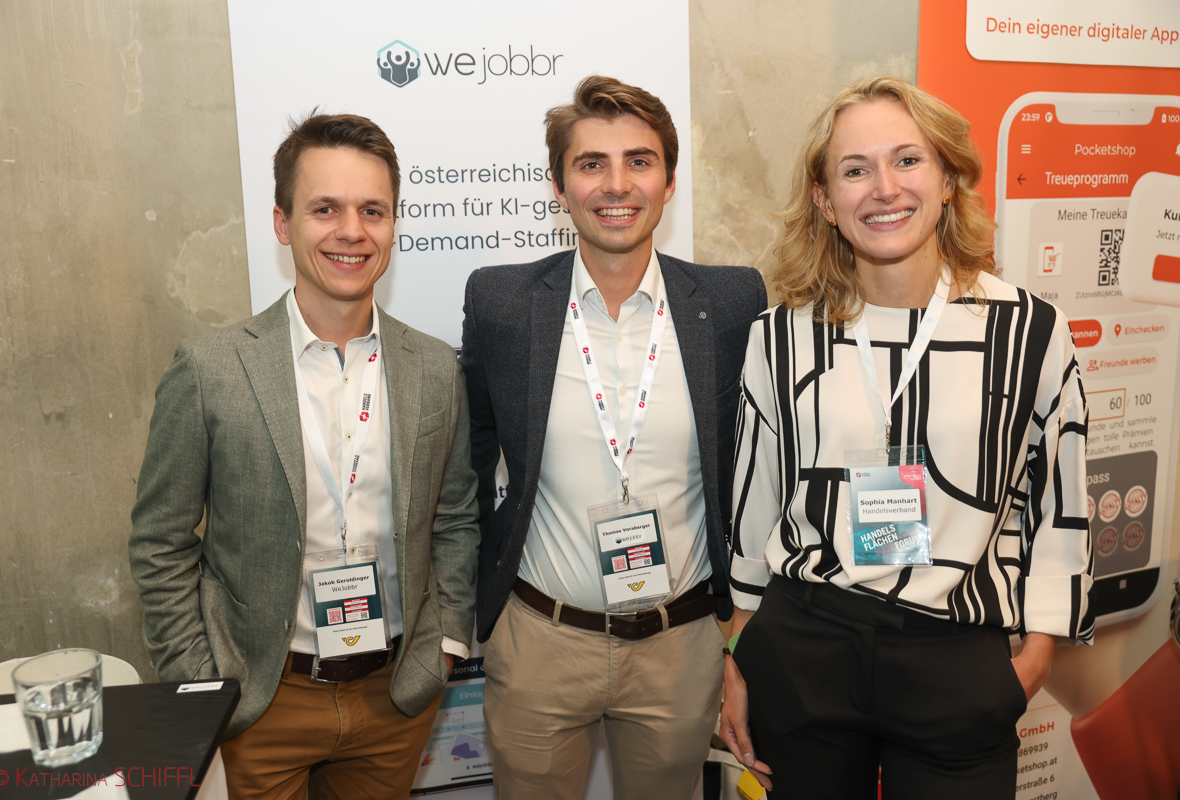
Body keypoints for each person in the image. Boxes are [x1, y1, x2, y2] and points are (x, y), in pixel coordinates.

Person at [720, 76, 1093, 799]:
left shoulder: (1028, 331)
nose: (884, 189)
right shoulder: (781, 336)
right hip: (805, 650)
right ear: (825, 200)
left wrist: (1039, 648)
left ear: (949, 179)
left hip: (957, 654)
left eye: (908, 160)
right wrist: (738, 655)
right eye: (855, 170)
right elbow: (755, 501)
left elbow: (1061, 500)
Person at [129, 113, 479, 799]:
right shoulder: (210, 370)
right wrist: (203, 680)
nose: (352, 231)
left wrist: (444, 645)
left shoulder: (435, 368)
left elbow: (456, 517)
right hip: (260, 700)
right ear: (282, 223)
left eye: (372, 210)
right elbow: (160, 542)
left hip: (395, 695)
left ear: (393, 224)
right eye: (325, 209)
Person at [460, 75, 767, 799]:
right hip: (539, 641)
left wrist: (738, 638)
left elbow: (756, 475)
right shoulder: (502, 302)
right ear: (558, 186)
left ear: (669, 182)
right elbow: (467, 463)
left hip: (682, 646)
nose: (617, 184)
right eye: (591, 163)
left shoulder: (731, 303)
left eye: (639, 161)